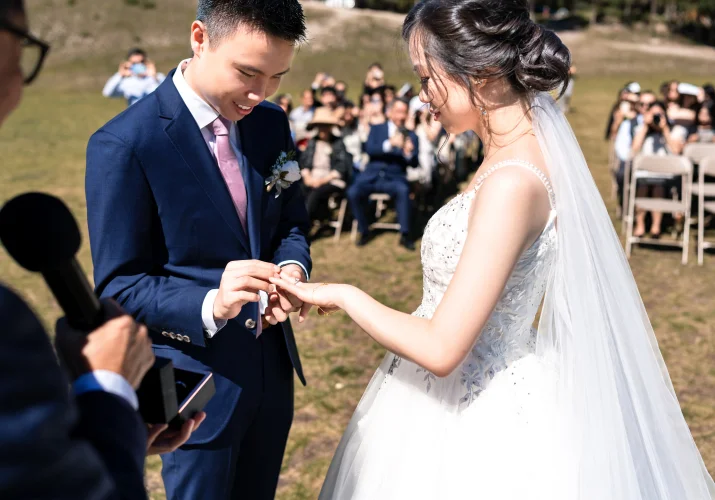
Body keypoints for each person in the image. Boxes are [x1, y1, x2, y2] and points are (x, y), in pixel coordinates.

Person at [271, 0, 715, 498]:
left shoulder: (512, 183)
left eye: (427, 77)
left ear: (478, 73)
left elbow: (442, 349)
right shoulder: (504, 158)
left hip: (475, 419)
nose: (422, 98)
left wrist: (345, 294)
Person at [85, 1, 312, 499]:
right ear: (199, 38)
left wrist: (292, 267)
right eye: (248, 72)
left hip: (272, 375)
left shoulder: (272, 123)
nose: (260, 93)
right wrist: (213, 303)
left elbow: (291, 218)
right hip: (194, 386)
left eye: (277, 76)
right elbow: (120, 285)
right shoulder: (125, 143)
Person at [0, 1, 202, 498]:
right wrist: (107, 390)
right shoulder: (7, 337)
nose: (19, 86)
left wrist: (120, 432)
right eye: (21, 47)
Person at [347, 97, 419, 250]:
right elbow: (370, 150)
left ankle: (405, 234)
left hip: (394, 178)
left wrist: (408, 153)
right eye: (398, 112)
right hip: (371, 176)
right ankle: (364, 230)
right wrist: (390, 144)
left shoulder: (411, 135)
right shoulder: (377, 129)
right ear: (389, 112)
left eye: (404, 112)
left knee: (404, 190)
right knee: (353, 192)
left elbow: (414, 163)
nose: (401, 116)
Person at [630, 100, 686, 237]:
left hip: (665, 175)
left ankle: (656, 225)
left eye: (659, 114)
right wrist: (644, 126)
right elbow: (633, 150)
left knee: (658, 186)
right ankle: (640, 224)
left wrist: (665, 129)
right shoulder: (641, 129)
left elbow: (677, 151)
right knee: (644, 184)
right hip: (644, 174)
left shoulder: (676, 130)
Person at [299, 107, 353, 224]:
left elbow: (341, 167)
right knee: (299, 190)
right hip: (313, 178)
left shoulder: (337, 143)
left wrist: (322, 181)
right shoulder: (312, 142)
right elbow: (304, 163)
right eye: (320, 126)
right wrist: (308, 177)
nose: (323, 129)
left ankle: (304, 226)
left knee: (316, 193)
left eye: (325, 126)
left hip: (332, 179)